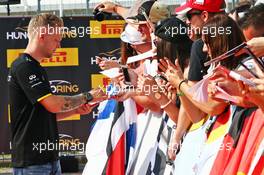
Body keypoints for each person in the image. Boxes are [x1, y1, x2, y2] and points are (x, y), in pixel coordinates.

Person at [8, 13, 107, 175]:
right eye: (56, 40)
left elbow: (43, 114)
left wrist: (75, 110)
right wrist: (88, 96)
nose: (59, 46)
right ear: (42, 35)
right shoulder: (24, 67)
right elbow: (53, 104)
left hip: (49, 159)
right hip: (32, 163)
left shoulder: (34, 66)